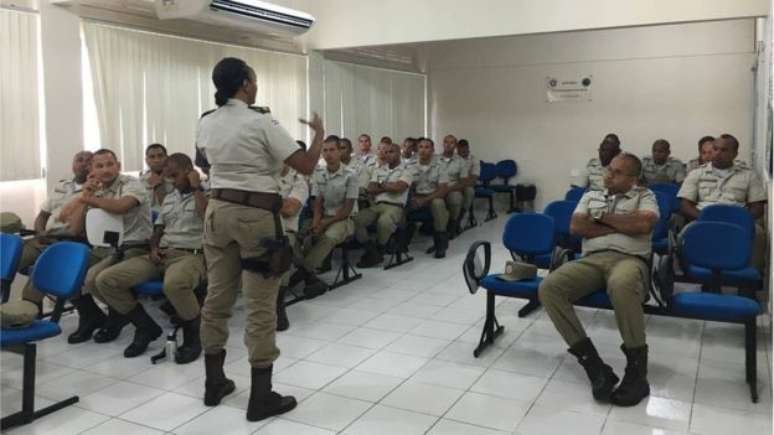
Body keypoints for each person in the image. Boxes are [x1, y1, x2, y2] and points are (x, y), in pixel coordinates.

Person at [195, 57, 324, 421]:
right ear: (246, 84)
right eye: (254, 80)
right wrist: (319, 135)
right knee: (260, 304)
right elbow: (306, 165)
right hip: (255, 217)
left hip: (217, 214)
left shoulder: (206, 121)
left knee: (217, 298)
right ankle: (261, 397)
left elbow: (203, 161)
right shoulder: (260, 120)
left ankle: (213, 383)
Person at [539, 153, 658, 407]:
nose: (608, 175)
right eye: (609, 170)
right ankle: (595, 366)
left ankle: (638, 374)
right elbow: (577, 227)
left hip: (629, 259)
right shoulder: (591, 195)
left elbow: (644, 224)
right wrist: (623, 224)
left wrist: (599, 217)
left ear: (632, 179)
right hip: (592, 259)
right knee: (550, 287)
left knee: (621, 284)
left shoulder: (645, 196)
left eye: (617, 172)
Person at [94, 153, 207, 362]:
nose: (171, 181)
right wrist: (154, 248)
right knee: (106, 279)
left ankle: (194, 337)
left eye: (175, 175)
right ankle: (145, 327)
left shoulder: (208, 193)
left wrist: (196, 187)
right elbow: (158, 229)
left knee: (174, 285)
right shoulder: (171, 197)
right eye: (167, 177)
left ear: (189, 171)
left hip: (191, 255)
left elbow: (208, 218)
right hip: (162, 253)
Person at [62, 149, 153, 344]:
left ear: (118, 166)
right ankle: (92, 316)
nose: (105, 170)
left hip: (133, 246)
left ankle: (134, 322)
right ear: (91, 169)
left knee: (94, 278)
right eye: (99, 166)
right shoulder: (96, 190)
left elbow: (121, 207)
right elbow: (75, 228)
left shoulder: (131, 184)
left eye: (110, 164)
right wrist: (85, 195)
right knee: (66, 271)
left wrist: (89, 199)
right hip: (103, 248)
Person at [678, 134, 767, 269]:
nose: (717, 153)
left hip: (739, 221)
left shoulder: (748, 175)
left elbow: (758, 207)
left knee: (759, 235)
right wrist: (706, 219)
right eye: (715, 149)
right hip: (704, 219)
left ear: (735, 153)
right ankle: (696, 273)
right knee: (683, 235)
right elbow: (685, 205)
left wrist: (741, 220)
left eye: (724, 150)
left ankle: (750, 279)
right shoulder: (696, 173)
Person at [19, 151, 93, 309]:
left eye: (89, 160)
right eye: (79, 160)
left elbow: (79, 230)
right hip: (45, 239)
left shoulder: (96, 190)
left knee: (43, 266)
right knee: (9, 258)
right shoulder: (62, 185)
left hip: (71, 242)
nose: (84, 163)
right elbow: (42, 215)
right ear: (73, 165)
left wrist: (50, 236)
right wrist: (40, 232)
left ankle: (26, 314)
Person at [292, 138, 358, 294]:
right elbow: (317, 202)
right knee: (299, 235)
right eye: (325, 150)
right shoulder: (319, 173)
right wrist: (316, 221)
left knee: (328, 237)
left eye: (332, 150)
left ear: (340, 151)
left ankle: (301, 274)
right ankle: (309, 273)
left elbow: (347, 210)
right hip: (323, 216)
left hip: (343, 219)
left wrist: (324, 223)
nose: (328, 154)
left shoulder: (351, 175)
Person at [354, 143, 414, 268]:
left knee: (384, 222)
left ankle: (380, 248)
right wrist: (388, 186)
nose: (387, 154)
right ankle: (372, 250)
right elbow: (370, 188)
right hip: (377, 205)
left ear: (399, 153)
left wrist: (380, 184)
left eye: (391, 152)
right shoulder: (380, 168)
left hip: (395, 206)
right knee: (356, 220)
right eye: (386, 152)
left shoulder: (407, 170)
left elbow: (399, 187)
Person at [276, 141, 310, 331]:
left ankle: (278, 304)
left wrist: (264, 202)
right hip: (258, 228)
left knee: (281, 255)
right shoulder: (263, 178)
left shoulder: (299, 181)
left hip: (284, 231)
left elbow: (289, 209)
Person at [411, 138, 450, 258]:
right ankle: (400, 240)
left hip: (433, 197)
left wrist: (424, 200)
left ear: (432, 150)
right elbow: (406, 186)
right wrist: (413, 198)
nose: (423, 150)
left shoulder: (440, 165)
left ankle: (440, 245)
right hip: (416, 196)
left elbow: (443, 189)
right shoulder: (410, 165)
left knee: (438, 204)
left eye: (427, 147)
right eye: (420, 147)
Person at [438, 135, 466, 236]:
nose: (448, 145)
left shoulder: (461, 161)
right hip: (436, 188)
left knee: (455, 199)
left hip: (452, 189)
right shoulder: (435, 159)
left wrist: (449, 189)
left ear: (455, 146)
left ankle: (453, 224)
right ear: (443, 143)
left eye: (451, 143)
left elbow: (463, 182)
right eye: (446, 142)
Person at [139, 143, 175, 214]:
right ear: (146, 160)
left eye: (160, 156)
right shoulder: (140, 182)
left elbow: (171, 208)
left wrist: (158, 186)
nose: (157, 160)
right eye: (152, 157)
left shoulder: (176, 179)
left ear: (167, 158)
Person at [457, 139, 479, 224]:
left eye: (464, 148)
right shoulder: (454, 158)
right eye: (459, 149)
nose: (462, 151)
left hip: (468, 185)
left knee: (469, 191)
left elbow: (473, 179)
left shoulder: (474, 160)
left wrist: (461, 185)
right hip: (454, 184)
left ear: (468, 148)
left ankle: (460, 216)